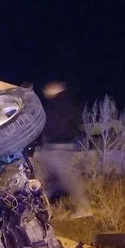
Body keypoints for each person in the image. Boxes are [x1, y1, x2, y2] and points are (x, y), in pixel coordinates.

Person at [39, 81, 92, 218]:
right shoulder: (57, 104)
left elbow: (58, 125)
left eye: (48, 86)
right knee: (49, 181)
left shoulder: (61, 105)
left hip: (59, 147)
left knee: (68, 179)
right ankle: (42, 210)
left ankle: (84, 208)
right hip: (52, 147)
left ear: (57, 88)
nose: (45, 89)